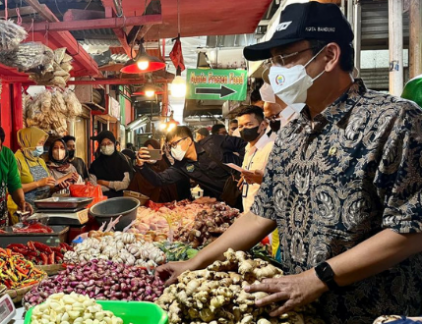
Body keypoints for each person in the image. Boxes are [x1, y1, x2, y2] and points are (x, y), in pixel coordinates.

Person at [157, 3, 422, 323]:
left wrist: (317, 278)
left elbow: (411, 230)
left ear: (329, 56)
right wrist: (195, 263)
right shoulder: (292, 134)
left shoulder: (395, 122)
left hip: (375, 312)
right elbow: (260, 215)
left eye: (286, 58)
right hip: (302, 312)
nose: (275, 71)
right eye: (273, 62)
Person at [136, 126, 246, 208]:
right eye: (170, 146)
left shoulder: (213, 143)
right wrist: (141, 166)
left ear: (188, 140)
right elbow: (159, 180)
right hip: (231, 201)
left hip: (249, 186)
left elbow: (244, 145)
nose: (173, 149)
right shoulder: (182, 166)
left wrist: (247, 169)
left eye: (175, 144)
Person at [234, 105, 274, 213]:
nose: (244, 129)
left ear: (262, 125)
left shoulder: (272, 148)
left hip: (267, 219)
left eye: (249, 124)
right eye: (241, 126)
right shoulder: (248, 150)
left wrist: (264, 180)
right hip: (250, 214)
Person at [8, 127, 56, 213]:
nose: (41, 146)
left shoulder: (40, 160)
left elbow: (47, 185)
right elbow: (13, 188)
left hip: (44, 209)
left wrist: (56, 187)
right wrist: (38, 183)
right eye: (40, 143)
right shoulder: (16, 160)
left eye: (43, 143)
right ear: (29, 141)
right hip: (27, 210)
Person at [89, 131, 134, 198]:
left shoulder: (122, 162)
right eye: (103, 144)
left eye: (109, 143)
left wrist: (104, 183)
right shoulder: (95, 165)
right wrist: (113, 187)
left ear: (114, 144)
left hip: (121, 201)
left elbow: (125, 184)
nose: (106, 146)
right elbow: (93, 185)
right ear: (100, 147)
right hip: (100, 201)